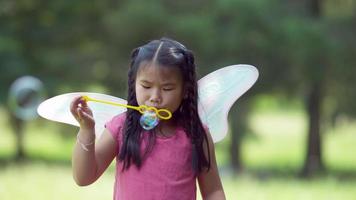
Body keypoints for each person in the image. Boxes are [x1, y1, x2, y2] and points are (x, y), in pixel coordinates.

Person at [70, 38, 226, 200]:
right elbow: (84, 177)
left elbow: (213, 190)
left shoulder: (196, 135)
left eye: (167, 88)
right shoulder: (122, 127)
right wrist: (87, 130)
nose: (155, 97)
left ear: (186, 90)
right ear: (134, 83)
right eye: (146, 86)